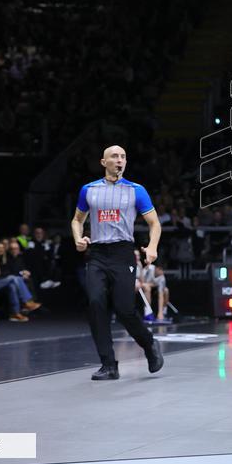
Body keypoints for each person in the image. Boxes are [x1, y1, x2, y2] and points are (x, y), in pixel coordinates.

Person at [72, 145, 163, 380]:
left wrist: (152, 246)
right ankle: (109, 365)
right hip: (98, 253)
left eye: (123, 156)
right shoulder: (88, 190)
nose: (119, 160)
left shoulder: (136, 191)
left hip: (123, 253)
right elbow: (77, 220)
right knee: (95, 303)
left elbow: (155, 223)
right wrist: (78, 238)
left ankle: (149, 344)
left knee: (124, 309)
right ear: (104, 162)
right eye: (114, 156)